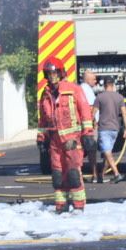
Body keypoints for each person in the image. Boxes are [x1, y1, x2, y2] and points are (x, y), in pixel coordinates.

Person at [37, 60, 94, 212]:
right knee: (57, 175)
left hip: (72, 140)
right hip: (55, 142)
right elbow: (42, 119)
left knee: (73, 174)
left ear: (61, 73)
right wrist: (41, 139)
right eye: (49, 73)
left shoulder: (73, 89)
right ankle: (61, 206)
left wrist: (88, 134)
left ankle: (78, 206)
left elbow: (85, 111)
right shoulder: (46, 94)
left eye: (54, 73)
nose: (52, 76)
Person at [91, 76, 126, 183]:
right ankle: (101, 175)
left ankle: (116, 173)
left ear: (104, 85)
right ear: (113, 85)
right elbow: (124, 114)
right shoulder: (120, 97)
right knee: (108, 153)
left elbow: (93, 112)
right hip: (115, 129)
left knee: (107, 152)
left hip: (104, 128)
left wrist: (92, 124)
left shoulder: (99, 97)